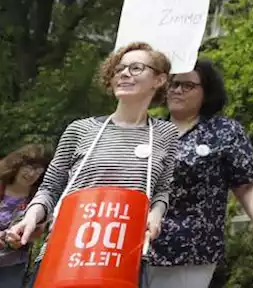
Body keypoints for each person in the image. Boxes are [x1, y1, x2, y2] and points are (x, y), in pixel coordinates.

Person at [4, 42, 178, 283]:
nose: (125, 73)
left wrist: (156, 215)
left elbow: (161, 191)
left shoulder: (165, 134)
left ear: (158, 80)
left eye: (136, 68)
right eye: (120, 69)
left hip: (124, 258)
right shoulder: (81, 130)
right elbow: (51, 188)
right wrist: (30, 218)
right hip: (65, 252)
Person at [148, 58, 253, 288]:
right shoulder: (148, 129)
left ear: (207, 92)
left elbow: (247, 185)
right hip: (135, 245)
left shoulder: (225, 132)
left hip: (192, 249)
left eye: (187, 85)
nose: (177, 90)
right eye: (173, 84)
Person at [0, 145, 50, 287]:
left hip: (12, 267)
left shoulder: (38, 201)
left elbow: (37, 233)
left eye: (39, 170)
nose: (32, 173)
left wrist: (25, 237)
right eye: (29, 166)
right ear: (17, 165)